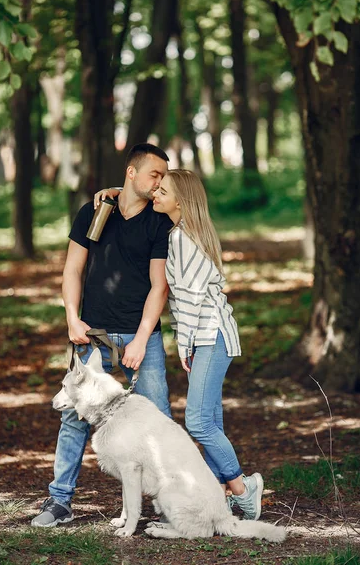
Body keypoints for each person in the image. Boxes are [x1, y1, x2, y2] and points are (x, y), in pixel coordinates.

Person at [95, 170, 264, 521]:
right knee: (211, 418)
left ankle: (243, 490)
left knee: (199, 422)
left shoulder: (184, 240)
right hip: (206, 336)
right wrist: (115, 189)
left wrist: (184, 345)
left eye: (163, 190)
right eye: (155, 188)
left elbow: (191, 300)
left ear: (181, 200)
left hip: (213, 336)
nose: (155, 193)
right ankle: (221, 491)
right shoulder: (181, 232)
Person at [31, 143, 173, 528]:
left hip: (141, 335)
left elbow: (159, 287)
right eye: (154, 174)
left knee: (158, 420)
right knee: (74, 418)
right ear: (131, 172)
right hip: (91, 332)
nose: (160, 182)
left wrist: (142, 339)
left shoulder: (159, 222)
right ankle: (59, 501)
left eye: (164, 176)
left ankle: (170, 503)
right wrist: (72, 319)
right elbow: (73, 270)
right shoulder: (94, 212)